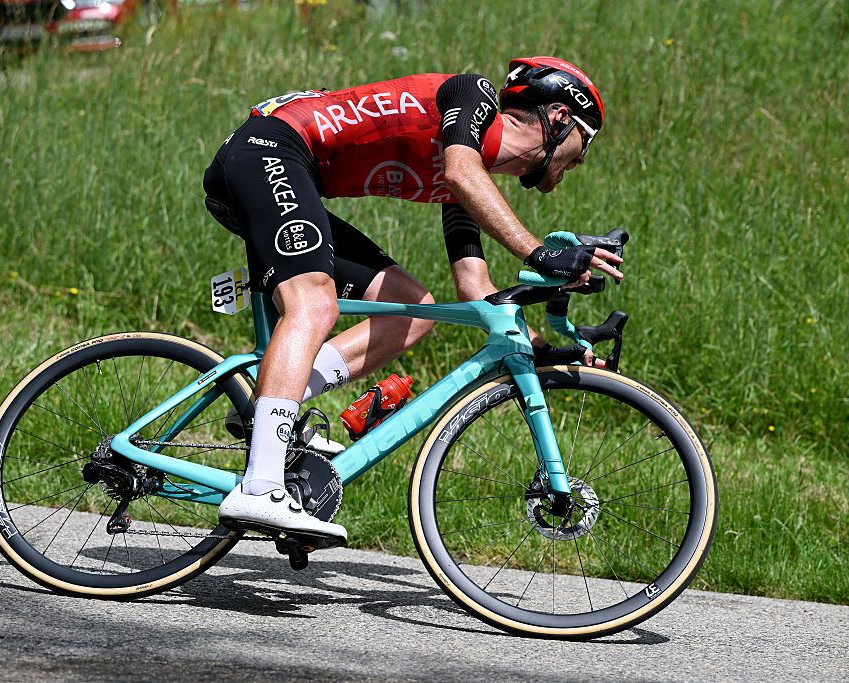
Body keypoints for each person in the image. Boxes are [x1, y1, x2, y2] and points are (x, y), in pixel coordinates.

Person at [202, 56, 624, 545]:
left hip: (289, 172)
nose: (581, 160)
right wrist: (539, 253)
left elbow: (475, 287)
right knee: (314, 303)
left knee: (412, 308)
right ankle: (260, 486)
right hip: (269, 150)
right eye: (585, 142)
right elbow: (463, 172)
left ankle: (269, 406)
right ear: (558, 118)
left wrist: (540, 348)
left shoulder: (466, 171)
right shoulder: (472, 99)